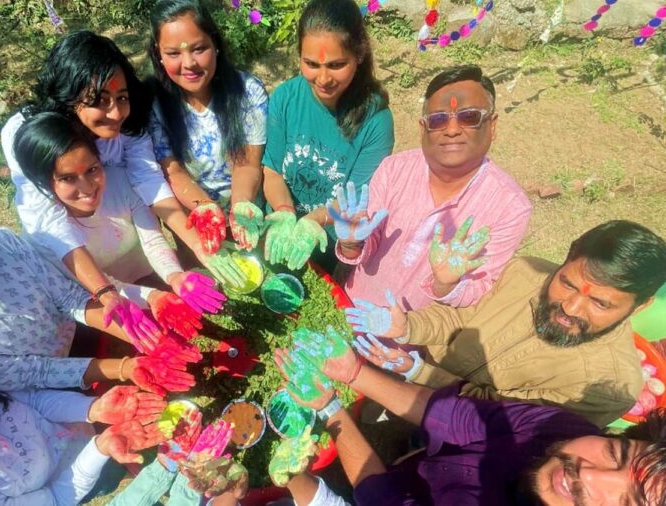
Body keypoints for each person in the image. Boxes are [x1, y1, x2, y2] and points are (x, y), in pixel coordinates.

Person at [0, 31, 245, 328]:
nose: (115, 113)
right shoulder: (25, 134)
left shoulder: (129, 127)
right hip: (71, 259)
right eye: (100, 101)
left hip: (122, 233)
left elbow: (146, 178)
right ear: (68, 99)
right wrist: (105, 292)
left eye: (122, 98)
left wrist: (195, 245)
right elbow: (49, 222)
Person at [274, 332, 666, 505]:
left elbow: (380, 497)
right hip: (412, 470)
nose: (588, 473)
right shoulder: (564, 431)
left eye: (629, 503)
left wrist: (329, 408)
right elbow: (447, 415)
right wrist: (353, 374)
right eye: (616, 452)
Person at [347, 220, 666, 426]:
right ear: (567, 258)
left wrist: (419, 373)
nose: (570, 307)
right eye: (567, 283)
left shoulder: (609, 387)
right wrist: (409, 328)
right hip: (407, 381)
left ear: (642, 305)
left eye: (599, 303)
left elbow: (500, 418)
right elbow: (458, 316)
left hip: (456, 439)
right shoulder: (525, 271)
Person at [0, 196, 198, 392]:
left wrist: (150, 342)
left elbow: (68, 298)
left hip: (83, 329)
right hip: (50, 393)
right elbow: (35, 373)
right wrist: (127, 368)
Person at [329, 64, 532, 312]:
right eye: (438, 120)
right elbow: (365, 243)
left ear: (492, 126)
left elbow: (480, 290)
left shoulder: (510, 208)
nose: (453, 129)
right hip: (348, 310)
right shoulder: (394, 169)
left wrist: (446, 284)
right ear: (423, 129)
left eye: (469, 117)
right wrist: (351, 243)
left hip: (412, 343)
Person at [13, 112, 226, 341]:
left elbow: (152, 240)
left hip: (150, 274)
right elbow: (104, 287)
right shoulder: (48, 236)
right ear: (43, 182)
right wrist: (153, 297)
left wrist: (175, 276)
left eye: (92, 170)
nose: (86, 188)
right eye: (67, 179)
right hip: (110, 305)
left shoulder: (121, 181)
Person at [261, 0, 394, 272]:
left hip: (329, 241)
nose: (323, 78)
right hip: (278, 230)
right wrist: (285, 213)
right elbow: (272, 171)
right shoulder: (286, 98)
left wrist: (313, 221)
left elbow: (355, 198)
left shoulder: (376, 122)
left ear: (359, 54)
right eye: (311, 64)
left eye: (336, 65)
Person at [0, 376, 169, 505]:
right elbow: (57, 498)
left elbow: (35, 400)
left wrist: (93, 409)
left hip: (85, 439)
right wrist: (99, 450)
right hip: (79, 487)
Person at [147, 0, 269, 253]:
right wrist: (204, 207)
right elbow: (174, 171)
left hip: (248, 216)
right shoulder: (153, 104)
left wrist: (240, 207)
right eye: (173, 54)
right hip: (198, 223)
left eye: (199, 48)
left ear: (216, 45)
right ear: (158, 55)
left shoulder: (247, 92)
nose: (189, 63)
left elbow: (246, 163)